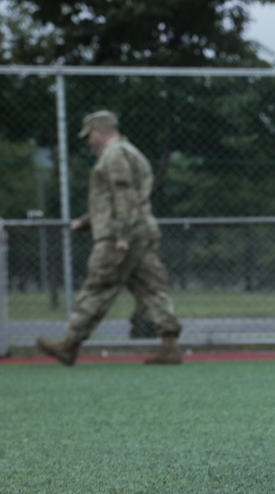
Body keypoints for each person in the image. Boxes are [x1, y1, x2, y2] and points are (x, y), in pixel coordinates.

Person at [36, 110, 183, 366]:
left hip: (120, 235)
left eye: (90, 134)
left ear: (100, 130)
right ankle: (169, 343)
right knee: (150, 288)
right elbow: (124, 198)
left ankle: (70, 343)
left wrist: (121, 234)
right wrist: (86, 221)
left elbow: (123, 195)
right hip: (142, 230)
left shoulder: (114, 155)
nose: (88, 140)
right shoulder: (130, 151)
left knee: (98, 285)